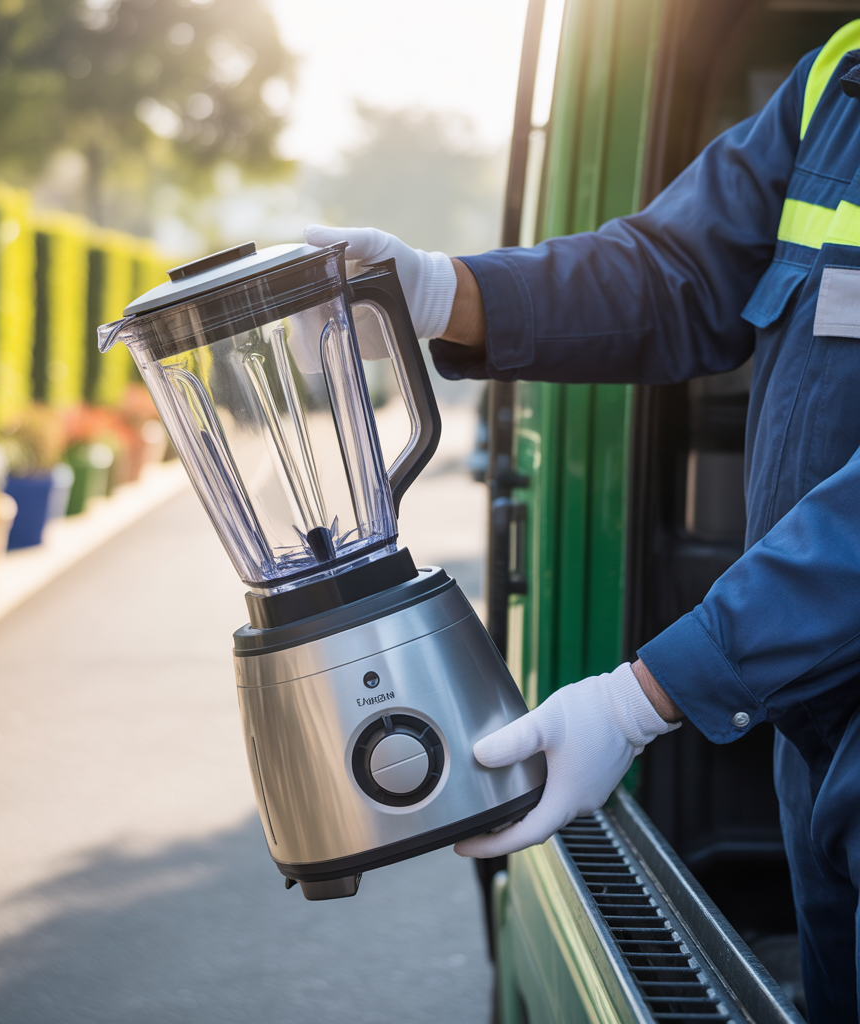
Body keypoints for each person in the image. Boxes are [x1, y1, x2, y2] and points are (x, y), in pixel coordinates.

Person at [307, 19, 860, 1023]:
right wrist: (436, 292)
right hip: (817, 733)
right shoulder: (839, 75)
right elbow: (671, 274)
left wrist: (641, 698)